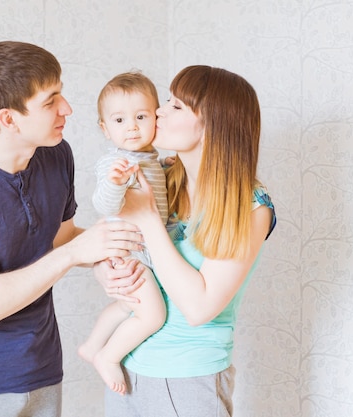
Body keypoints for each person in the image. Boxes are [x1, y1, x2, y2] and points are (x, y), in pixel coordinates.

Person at [0, 41, 142, 417]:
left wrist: (106, 260)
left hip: (42, 368)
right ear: (9, 119)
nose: (67, 108)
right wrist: (74, 254)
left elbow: (61, 238)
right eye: (51, 101)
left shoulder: (56, 154)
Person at [94, 65, 277, 417]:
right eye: (166, 101)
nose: (159, 111)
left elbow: (199, 308)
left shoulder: (251, 205)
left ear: (213, 123)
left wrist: (148, 219)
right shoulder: (159, 177)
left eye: (176, 106)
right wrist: (106, 272)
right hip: (127, 369)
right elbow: (112, 237)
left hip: (189, 378)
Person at [77, 72, 168, 396]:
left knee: (127, 305)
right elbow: (103, 204)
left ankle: (92, 344)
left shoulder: (154, 159)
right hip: (130, 251)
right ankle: (108, 355)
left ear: (156, 118)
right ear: (105, 128)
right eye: (119, 119)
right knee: (153, 315)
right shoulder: (116, 162)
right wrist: (115, 184)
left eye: (141, 116)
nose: (131, 126)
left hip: (142, 250)